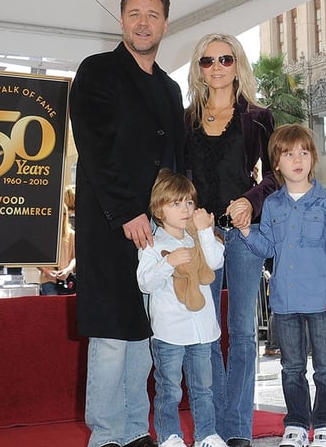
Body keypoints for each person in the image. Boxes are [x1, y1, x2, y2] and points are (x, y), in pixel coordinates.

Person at [69, 0, 182, 447]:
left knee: (144, 335)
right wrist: (127, 211)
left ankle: (138, 430)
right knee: (113, 334)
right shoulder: (96, 71)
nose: (143, 22)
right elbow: (95, 150)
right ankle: (108, 436)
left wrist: (178, 219)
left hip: (158, 230)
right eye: (134, 13)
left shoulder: (171, 89)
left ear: (164, 24)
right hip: (112, 225)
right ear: (121, 20)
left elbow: (176, 160)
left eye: (152, 15)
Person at [182, 33, 277, 447]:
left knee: (240, 331)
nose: (217, 67)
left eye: (225, 58)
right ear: (198, 68)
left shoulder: (258, 117)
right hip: (198, 234)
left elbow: (275, 175)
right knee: (202, 331)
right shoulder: (184, 119)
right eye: (207, 61)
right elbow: (176, 176)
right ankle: (211, 426)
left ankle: (236, 428)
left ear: (238, 63)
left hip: (241, 233)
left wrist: (249, 201)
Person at [239, 124, 326, 447]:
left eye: (304, 152)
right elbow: (268, 248)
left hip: (322, 298)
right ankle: (298, 424)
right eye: (289, 154)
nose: (297, 160)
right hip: (285, 300)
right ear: (277, 163)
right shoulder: (272, 205)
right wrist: (247, 232)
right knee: (291, 368)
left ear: (313, 158)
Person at [137, 170, 227, 447]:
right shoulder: (152, 244)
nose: (185, 209)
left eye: (189, 202)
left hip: (202, 330)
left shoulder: (197, 237)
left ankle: (206, 435)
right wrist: (169, 262)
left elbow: (214, 262)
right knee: (169, 389)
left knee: (203, 389)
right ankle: (169, 436)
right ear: (159, 209)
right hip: (169, 332)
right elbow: (145, 283)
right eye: (176, 203)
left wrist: (204, 231)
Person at [38, 205, 76, 295]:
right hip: (48, 279)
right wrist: (45, 271)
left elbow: (75, 258)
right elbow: (36, 258)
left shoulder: (71, 234)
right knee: (52, 307)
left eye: (63, 213)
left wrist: (67, 270)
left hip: (66, 278)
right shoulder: (43, 233)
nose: (61, 216)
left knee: (68, 306)